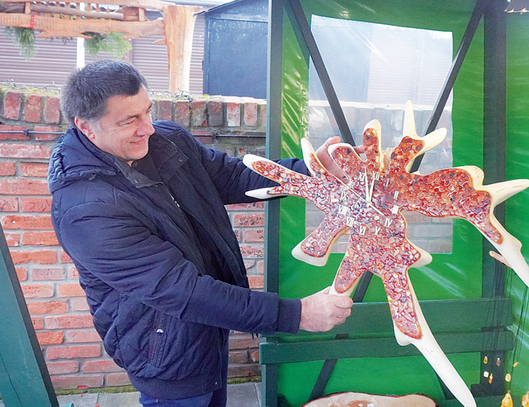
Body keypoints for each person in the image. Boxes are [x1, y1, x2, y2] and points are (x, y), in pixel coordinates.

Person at [47, 60, 353, 407]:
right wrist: (297, 314)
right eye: (129, 120)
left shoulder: (166, 141)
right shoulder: (85, 210)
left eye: (147, 111)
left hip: (208, 329)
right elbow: (183, 291)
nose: (147, 128)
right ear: (86, 127)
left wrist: (311, 172)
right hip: (165, 354)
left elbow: (232, 176)